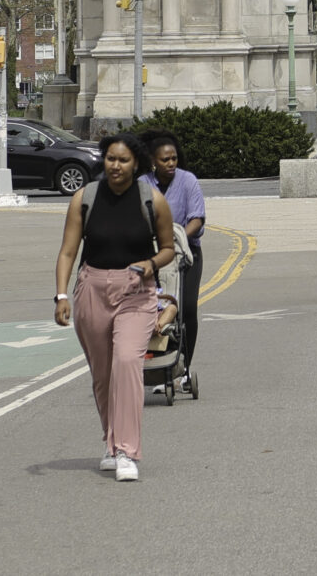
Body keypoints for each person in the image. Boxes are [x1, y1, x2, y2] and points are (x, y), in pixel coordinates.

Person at [55, 134, 179, 479]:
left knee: (127, 361)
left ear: (136, 164)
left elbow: (168, 247)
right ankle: (111, 444)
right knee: (103, 374)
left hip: (136, 291)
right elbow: (67, 251)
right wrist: (61, 295)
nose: (115, 166)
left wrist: (151, 264)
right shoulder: (85, 198)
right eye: (110, 159)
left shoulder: (151, 199)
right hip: (92, 287)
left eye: (123, 160)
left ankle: (127, 451)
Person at [141, 132, 206, 390]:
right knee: (156, 311)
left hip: (185, 255)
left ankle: (183, 368)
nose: (171, 163)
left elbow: (197, 219)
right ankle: (160, 365)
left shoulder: (188, 181)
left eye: (174, 158)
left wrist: (176, 240)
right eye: (165, 159)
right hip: (153, 257)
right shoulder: (143, 184)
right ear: (153, 161)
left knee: (186, 309)